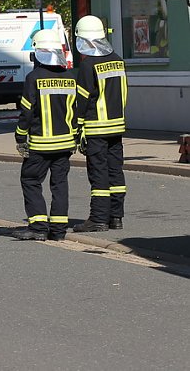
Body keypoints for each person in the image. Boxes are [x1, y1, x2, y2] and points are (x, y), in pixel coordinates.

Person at [12, 29, 77, 242]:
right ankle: (58, 230)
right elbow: (75, 111)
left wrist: (20, 137)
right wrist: (76, 137)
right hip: (65, 144)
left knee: (30, 180)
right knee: (60, 185)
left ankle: (38, 227)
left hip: (41, 144)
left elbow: (27, 112)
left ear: (38, 53)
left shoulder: (34, 78)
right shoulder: (70, 77)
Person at [72, 15, 127, 232]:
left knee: (98, 173)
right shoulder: (118, 60)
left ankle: (98, 219)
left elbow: (82, 100)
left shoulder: (88, 65)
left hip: (96, 128)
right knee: (116, 172)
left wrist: (77, 127)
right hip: (117, 125)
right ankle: (116, 217)